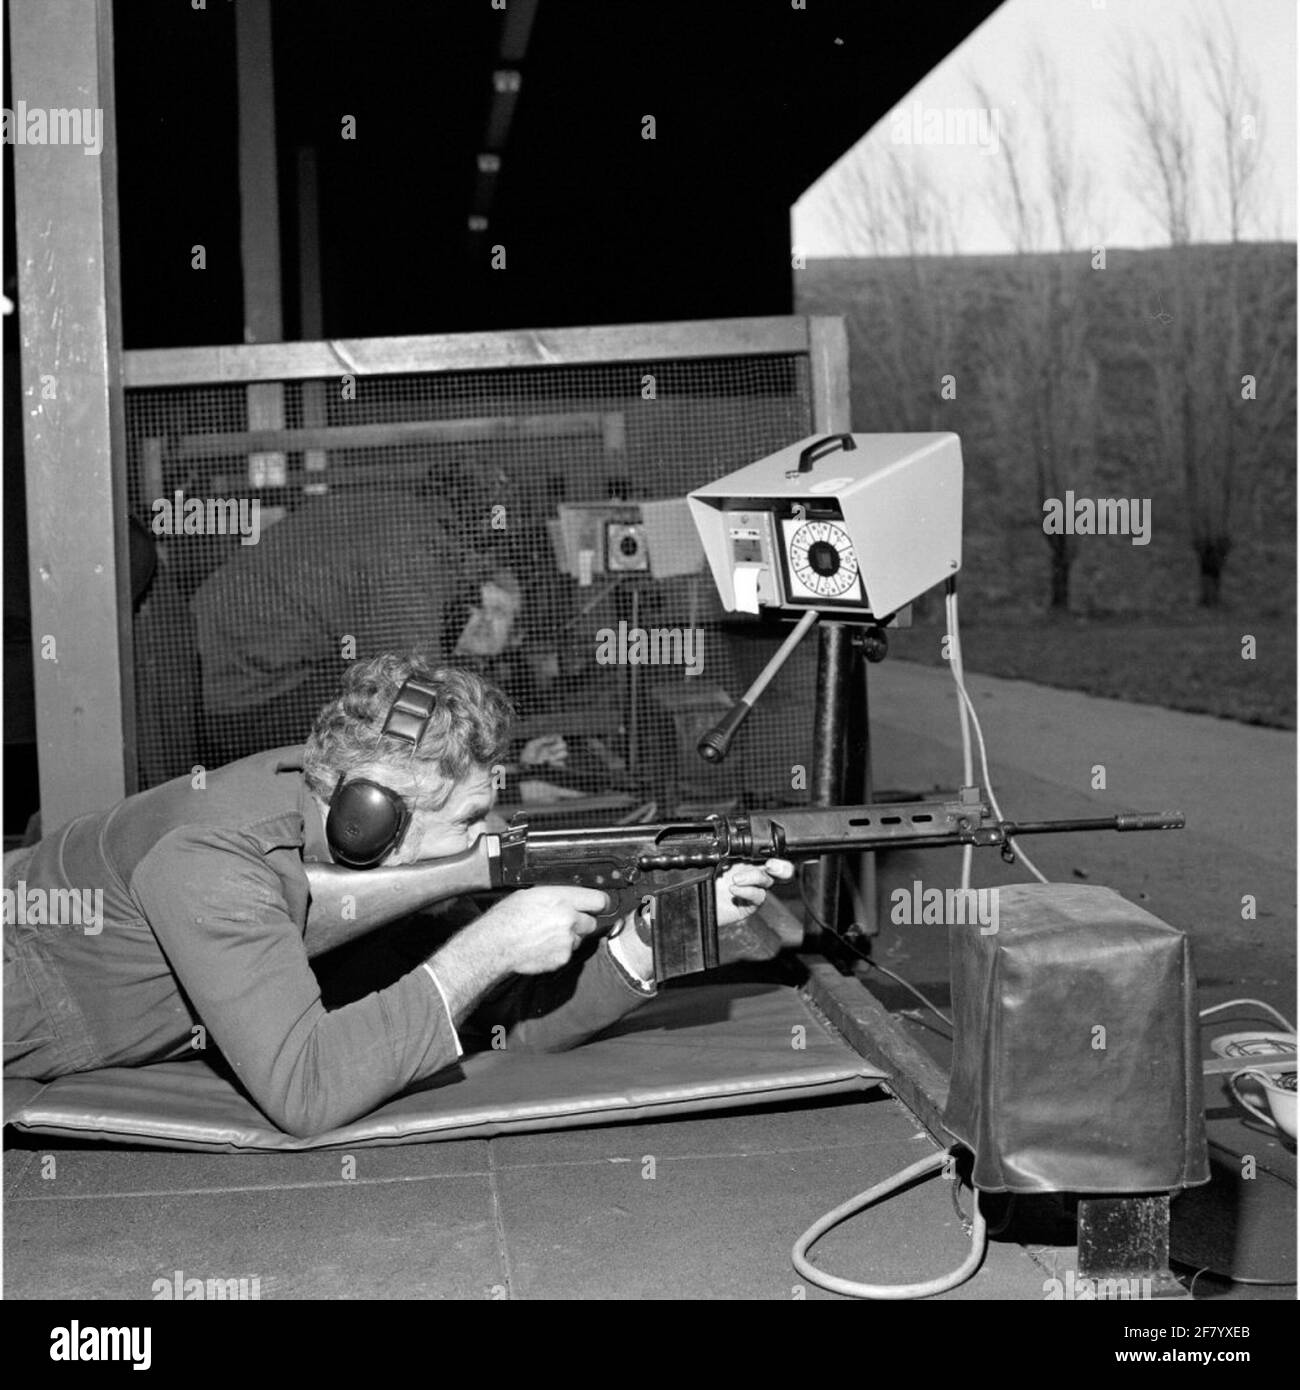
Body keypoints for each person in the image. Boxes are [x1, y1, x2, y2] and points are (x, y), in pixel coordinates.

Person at [3, 654, 792, 1138]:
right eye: (472, 819)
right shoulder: (216, 860)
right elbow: (306, 1092)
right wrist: (485, 948)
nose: (494, 835)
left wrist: (647, 944)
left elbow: (506, 1035)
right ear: (371, 814)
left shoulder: (347, 830)